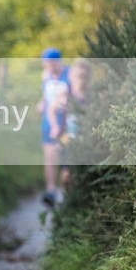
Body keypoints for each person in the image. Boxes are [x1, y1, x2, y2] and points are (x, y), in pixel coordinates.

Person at [36, 47, 69, 208]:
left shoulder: (68, 75)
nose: (46, 66)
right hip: (48, 122)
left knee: (65, 158)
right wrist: (41, 104)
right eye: (44, 63)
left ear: (56, 61)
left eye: (48, 63)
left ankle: (65, 193)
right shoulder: (45, 76)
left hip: (66, 123)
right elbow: (45, 95)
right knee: (49, 156)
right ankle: (50, 190)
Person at [58, 58, 91, 191]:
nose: (80, 79)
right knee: (66, 175)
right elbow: (52, 109)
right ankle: (68, 200)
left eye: (84, 75)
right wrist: (55, 126)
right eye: (78, 75)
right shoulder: (66, 93)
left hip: (86, 140)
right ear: (71, 75)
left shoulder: (92, 94)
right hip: (68, 139)